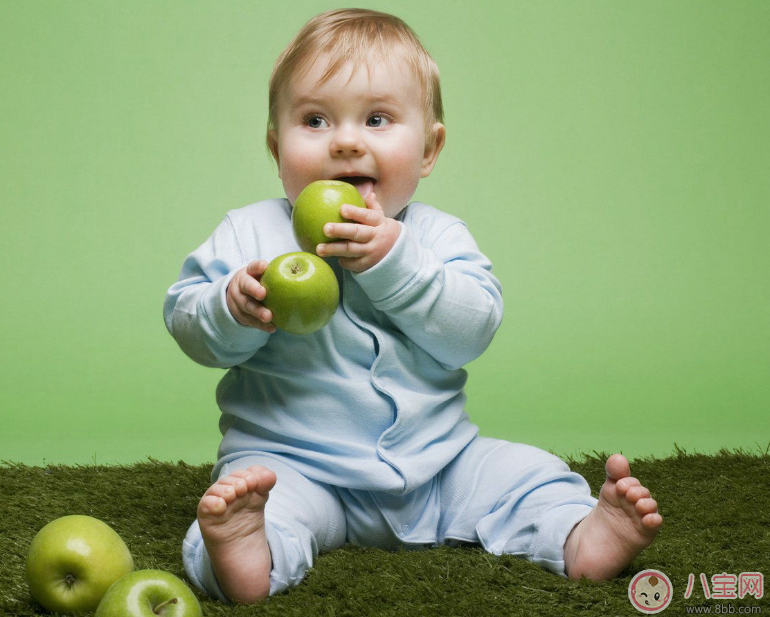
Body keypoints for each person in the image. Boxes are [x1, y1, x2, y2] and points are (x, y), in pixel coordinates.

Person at [163, 8, 662, 605]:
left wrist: (393, 261)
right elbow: (186, 321)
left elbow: (471, 330)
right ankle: (246, 554)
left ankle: (579, 532)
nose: (346, 140)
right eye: (314, 120)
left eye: (377, 118)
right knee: (263, 507)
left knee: (526, 473)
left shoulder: (438, 238)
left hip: (440, 466)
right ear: (276, 148)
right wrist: (230, 307)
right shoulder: (249, 234)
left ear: (429, 149)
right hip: (296, 468)